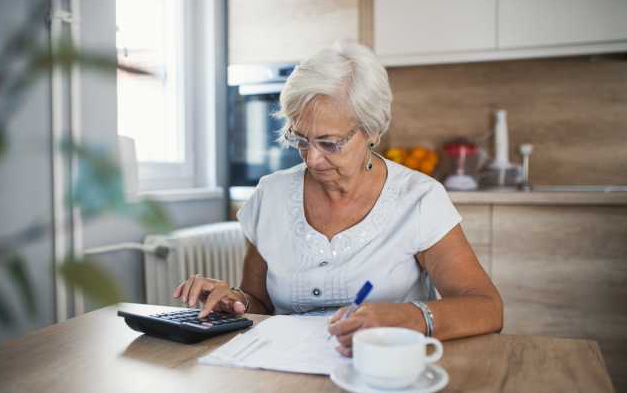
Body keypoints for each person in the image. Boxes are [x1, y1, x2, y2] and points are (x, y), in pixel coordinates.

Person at [173, 41, 503, 356]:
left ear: (373, 130)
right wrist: (235, 301)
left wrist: (409, 318)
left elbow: (487, 308)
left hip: (380, 368)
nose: (312, 159)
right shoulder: (270, 196)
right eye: (300, 139)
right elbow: (259, 302)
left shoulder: (418, 198)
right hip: (285, 370)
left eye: (330, 143)